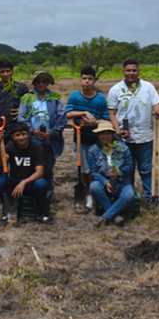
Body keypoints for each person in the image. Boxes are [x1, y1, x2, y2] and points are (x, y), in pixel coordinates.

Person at [107, 59, 159, 201]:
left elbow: (156, 104)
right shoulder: (115, 90)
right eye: (128, 70)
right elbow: (112, 112)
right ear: (123, 71)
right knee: (126, 170)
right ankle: (129, 198)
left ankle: (149, 197)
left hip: (145, 136)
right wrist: (117, 130)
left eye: (134, 70)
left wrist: (157, 109)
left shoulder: (148, 87)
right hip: (123, 138)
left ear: (138, 71)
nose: (131, 73)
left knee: (146, 169)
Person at [65, 66, 110, 212]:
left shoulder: (101, 99)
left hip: (97, 140)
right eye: (84, 78)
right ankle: (87, 195)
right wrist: (83, 112)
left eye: (90, 79)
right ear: (80, 80)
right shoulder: (74, 96)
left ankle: (99, 194)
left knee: (98, 168)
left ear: (94, 80)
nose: (87, 81)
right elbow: (67, 113)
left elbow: (106, 119)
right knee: (84, 169)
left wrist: (94, 122)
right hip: (80, 139)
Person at [0, 122, 51, 224]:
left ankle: (42, 213)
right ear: (13, 137)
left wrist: (24, 182)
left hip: (32, 183)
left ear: (28, 134)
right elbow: (1, 161)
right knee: (0, 183)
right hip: (15, 182)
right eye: (17, 135)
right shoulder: (10, 147)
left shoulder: (37, 147)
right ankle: (8, 210)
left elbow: (40, 172)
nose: (21, 138)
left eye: (24, 134)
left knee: (41, 184)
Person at [18, 70, 66, 183]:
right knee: (32, 165)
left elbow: (62, 116)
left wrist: (52, 132)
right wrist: (32, 130)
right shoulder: (27, 97)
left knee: (48, 164)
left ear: (48, 82)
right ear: (34, 82)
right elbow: (22, 117)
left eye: (44, 81)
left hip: (50, 137)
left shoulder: (55, 97)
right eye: (38, 81)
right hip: (32, 138)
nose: (41, 84)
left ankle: (48, 188)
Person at [0, 59, 28, 180]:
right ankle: (4, 184)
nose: (5, 74)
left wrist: (21, 111)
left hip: (18, 130)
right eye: (2, 72)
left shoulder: (21, 88)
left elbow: (29, 107)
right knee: (2, 159)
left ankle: (20, 184)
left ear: (12, 71)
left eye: (8, 71)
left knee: (19, 159)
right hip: (0, 130)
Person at [87, 120, 136, 226]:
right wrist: (105, 182)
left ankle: (106, 216)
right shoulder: (93, 150)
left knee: (129, 194)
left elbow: (130, 166)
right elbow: (93, 172)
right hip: (104, 182)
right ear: (98, 135)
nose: (105, 136)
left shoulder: (123, 148)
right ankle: (115, 216)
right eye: (102, 133)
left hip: (121, 182)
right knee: (94, 186)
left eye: (108, 133)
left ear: (112, 134)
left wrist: (119, 172)